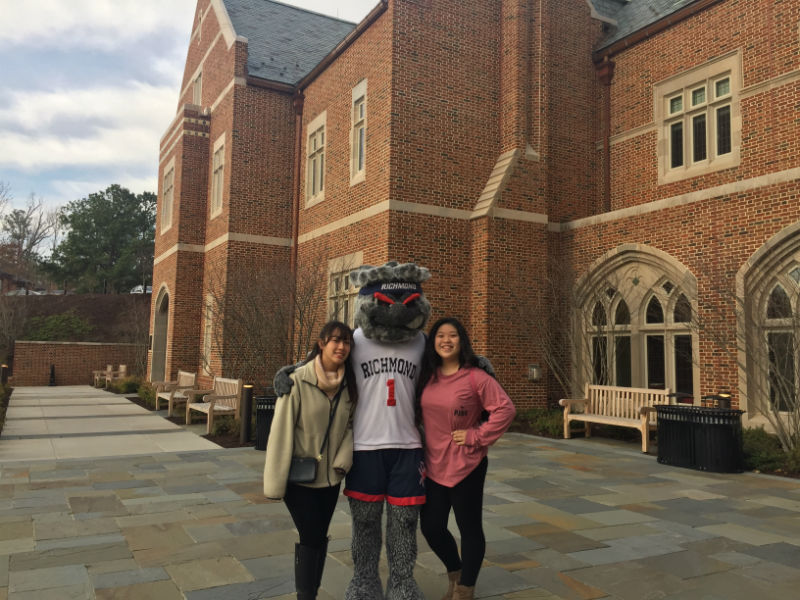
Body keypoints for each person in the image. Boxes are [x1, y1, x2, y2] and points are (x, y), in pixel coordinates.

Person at [417, 317, 516, 600]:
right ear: (432, 342)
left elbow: (505, 410)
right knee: (432, 527)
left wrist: (476, 437)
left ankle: (465, 589)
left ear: (462, 341)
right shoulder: (428, 376)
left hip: (467, 466)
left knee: (469, 527)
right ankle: (456, 572)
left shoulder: (475, 376)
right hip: (434, 465)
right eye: (440, 336)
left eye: (452, 336)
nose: (446, 341)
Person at [263, 321, 358, 600]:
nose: (341, 347)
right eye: (335, 341)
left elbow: (352, 426)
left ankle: (310, 593)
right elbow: (280, 432)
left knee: (317, 537)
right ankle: (306, 595)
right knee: (310, 536)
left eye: (347, 342)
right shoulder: (297, 380)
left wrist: (343, 459)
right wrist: (274, 484)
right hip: (299, 478)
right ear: (322, 343)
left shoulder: (349, 385)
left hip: (329, 478)